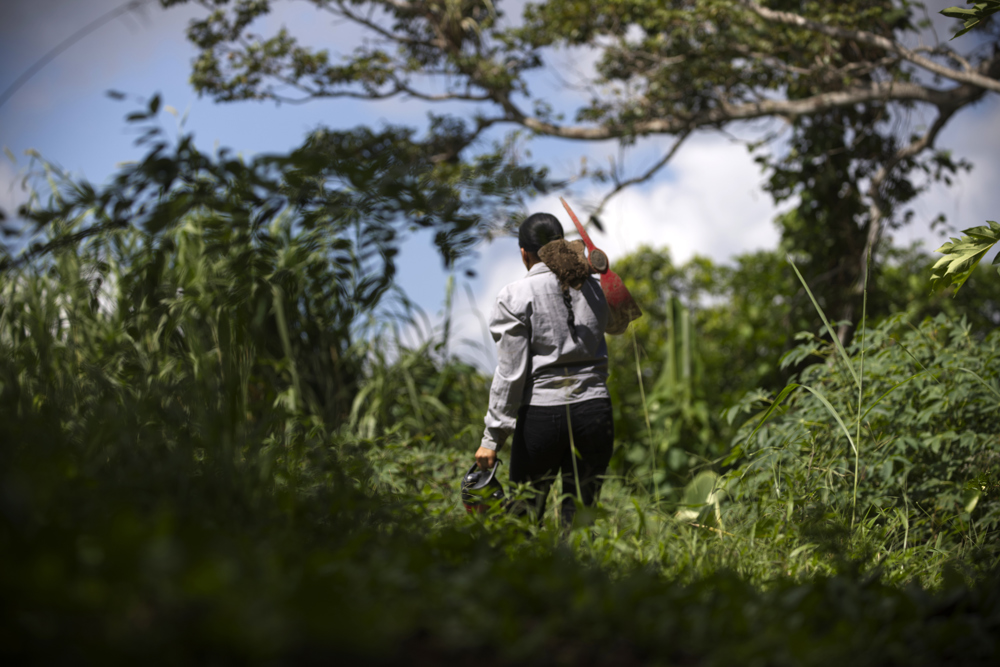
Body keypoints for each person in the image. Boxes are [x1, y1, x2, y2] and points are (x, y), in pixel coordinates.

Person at [475, 212, 614, 527]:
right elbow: (618, 323)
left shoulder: (514, 296)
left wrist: (492, 438)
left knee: (523, 519)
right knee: (579, 523)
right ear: (562, 245)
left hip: (542, 417)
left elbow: (511, 373)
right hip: (595, 412)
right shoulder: (594, 287)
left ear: (523, 253)